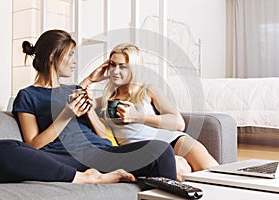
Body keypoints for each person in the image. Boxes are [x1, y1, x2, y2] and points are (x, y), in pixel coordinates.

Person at [0, 30, 178, 184]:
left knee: (161, 150)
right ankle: (84, 178)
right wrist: (66, 115)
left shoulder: (74, 90)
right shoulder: (28, 95)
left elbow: (103, 137)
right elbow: (33, 145)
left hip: (103, 155)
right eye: (70, 55)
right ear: (53, 57)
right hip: (62, 158)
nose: (75, 61)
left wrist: (90, 106)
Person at [83, 43, 219, 181]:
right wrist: (91, 78)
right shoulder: (104, 101)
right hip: (146, 152)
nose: (115, 71)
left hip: (174, 140)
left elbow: (178, 124)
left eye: (122, 66)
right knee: (183, 173)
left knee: (216, 177)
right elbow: (70, 97)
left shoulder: (149, 90)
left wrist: (137, 117)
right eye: (112, 64)